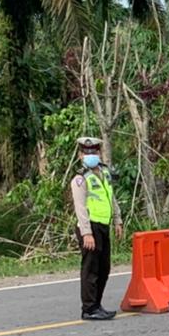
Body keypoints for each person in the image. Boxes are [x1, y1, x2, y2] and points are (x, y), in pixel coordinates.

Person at [71, 136, 122, 321]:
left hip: (103, 225)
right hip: (90, 227)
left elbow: (111, 197)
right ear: (80, 155)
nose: (90, 155)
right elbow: (80, 208)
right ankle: (89, 308)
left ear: (99, 153)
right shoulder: (80, 178)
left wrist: (118, 220)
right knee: (90, 269)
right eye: (86, 152)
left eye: (94, 151)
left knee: (104, 268)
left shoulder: (105, 173)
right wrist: (86, 233)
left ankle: (97, 304)